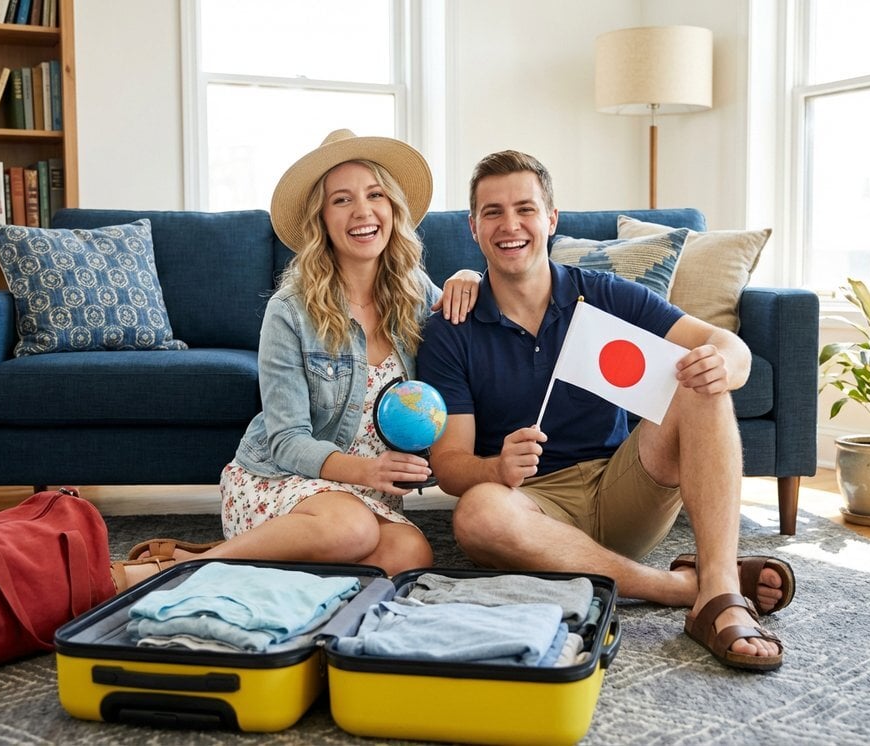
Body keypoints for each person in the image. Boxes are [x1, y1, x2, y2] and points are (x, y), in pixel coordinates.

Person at [416, 149, 794, 672]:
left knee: (699, 378)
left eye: (525, 209)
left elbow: (727, 345)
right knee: (477, 513)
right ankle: (685, 588)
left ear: (551, 219)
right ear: (473, 227)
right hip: (531, 507)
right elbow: (450, 466)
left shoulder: (603, 295)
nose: (510, 225)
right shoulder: (449, 329)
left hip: (622, 486)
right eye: (493, 212)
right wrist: (496, 468)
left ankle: (722, 587)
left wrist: (724, 364)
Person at [112, 129, 481, 590]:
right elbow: (287, 441)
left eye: (375, 195)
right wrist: (367, 471)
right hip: (282, 479)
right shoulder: (290, 310)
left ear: (393, 208)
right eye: (342, 200)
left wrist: (471, 276)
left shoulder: (417, 295)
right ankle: (174, 572)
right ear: (321, 220)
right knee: (353, 530)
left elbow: (475, 326)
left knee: (410, 555)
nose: (363, 211)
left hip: (365, 497)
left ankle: (251, 562)